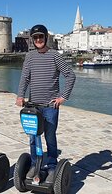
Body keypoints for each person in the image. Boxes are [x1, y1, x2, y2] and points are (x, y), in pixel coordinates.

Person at [15, 24, 76, 183]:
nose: (38, 40)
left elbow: (70, 75)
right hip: (33, 106)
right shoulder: (29, 56)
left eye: (41, 37)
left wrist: (63, 97)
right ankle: (35, 164)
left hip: (50, 107)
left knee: (50, 137)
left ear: (45, 38)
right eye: (35, 37)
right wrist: (20, 95)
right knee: (33, 137)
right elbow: (25, 78)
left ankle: (51, 166)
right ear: (32, 40)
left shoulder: (55, 55)